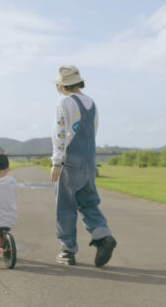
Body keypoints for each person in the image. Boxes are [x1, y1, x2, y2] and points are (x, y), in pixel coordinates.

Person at [50, 65, 117, 267]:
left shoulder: (65, 102)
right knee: (88, 203)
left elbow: (60, 133)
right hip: (88, 163)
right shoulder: (91, 103)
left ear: (62, 85)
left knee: (65, 207)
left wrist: (56, 162)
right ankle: (103, 236)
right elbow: (93, 132)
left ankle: (67, 250)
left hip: (70, 162)